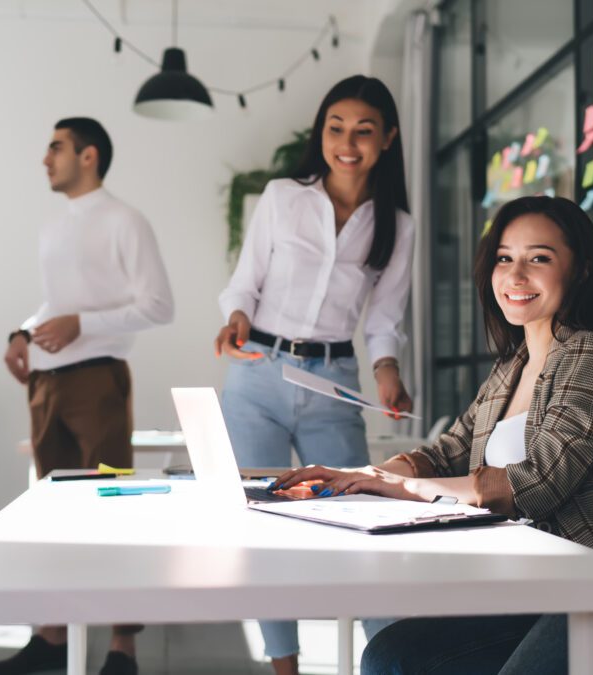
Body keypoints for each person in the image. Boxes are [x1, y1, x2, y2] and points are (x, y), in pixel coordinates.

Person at [270, 195, 593, 674]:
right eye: (504, 258)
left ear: (582, 270)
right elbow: (450, 450)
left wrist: (403, 487)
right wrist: (366, 474)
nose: (515, 276)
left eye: (539, 258)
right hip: (539, 588)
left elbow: (535, 483)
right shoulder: (513, 365)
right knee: (390, 657)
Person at [215, 74, 416, 675]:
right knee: (261, 523)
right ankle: (285, 668)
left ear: (387, 139)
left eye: (363, 130)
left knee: (364, 521)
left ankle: (395, 662)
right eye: (335, 127)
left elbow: (385, 319)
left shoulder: (395, 225)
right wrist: (234, 321)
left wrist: (387, 372)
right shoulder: (282, 196)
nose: (346, 142)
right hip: (258, 377)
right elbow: (244, 282)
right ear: (320, 132)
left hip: (333, 383)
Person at [0, 117, 174, 675]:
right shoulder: (54, 227)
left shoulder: (125, 220)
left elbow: (159, 306)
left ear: (89, 155)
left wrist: (84, 325)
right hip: (45, 382)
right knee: (55, 516)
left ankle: (123, 647)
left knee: (110, 510)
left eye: (55, 147)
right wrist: (22, 333)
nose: (44, 158)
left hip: (97, 379)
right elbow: (58, 303)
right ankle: (51, 638)